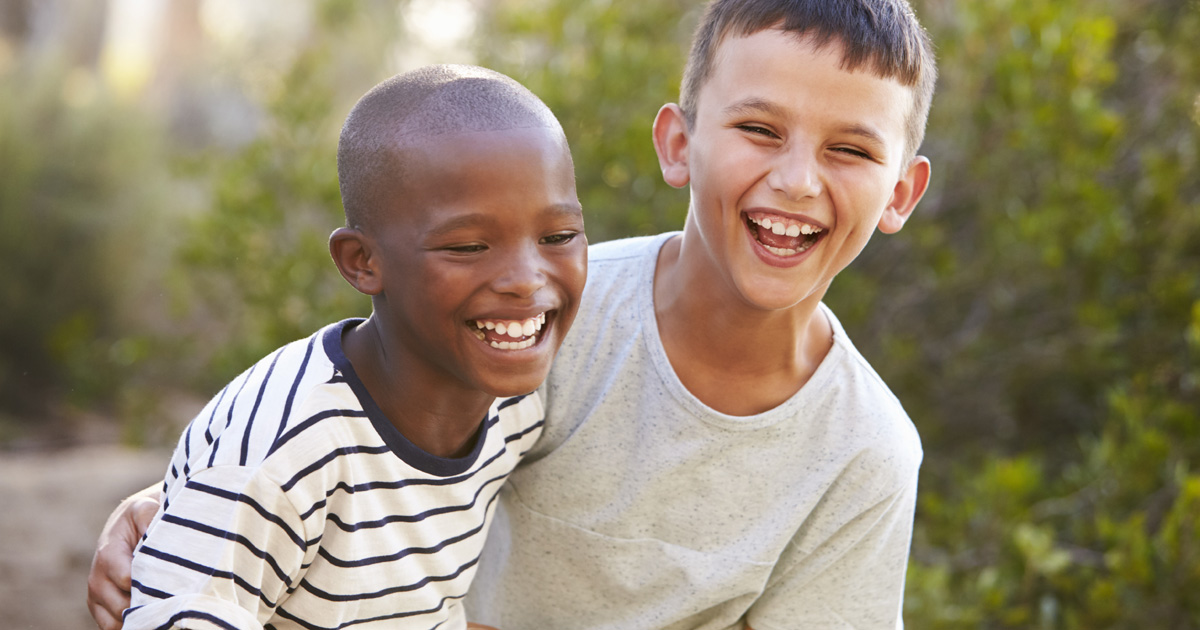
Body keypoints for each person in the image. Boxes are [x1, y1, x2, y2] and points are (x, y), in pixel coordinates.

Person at [90, 0, 937, 627]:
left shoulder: (863, 450)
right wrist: (182, 508)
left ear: (900, 191)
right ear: (679, 144)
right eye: (759, 128)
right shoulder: (547, 312)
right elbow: (343, 431)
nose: (796, 180)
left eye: (850, 149)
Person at [91, 64, 588, 630]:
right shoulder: (284, 457)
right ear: (362, 262)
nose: (526, 279)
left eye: (558, 236)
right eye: (469, 245)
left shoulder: (517, 397)